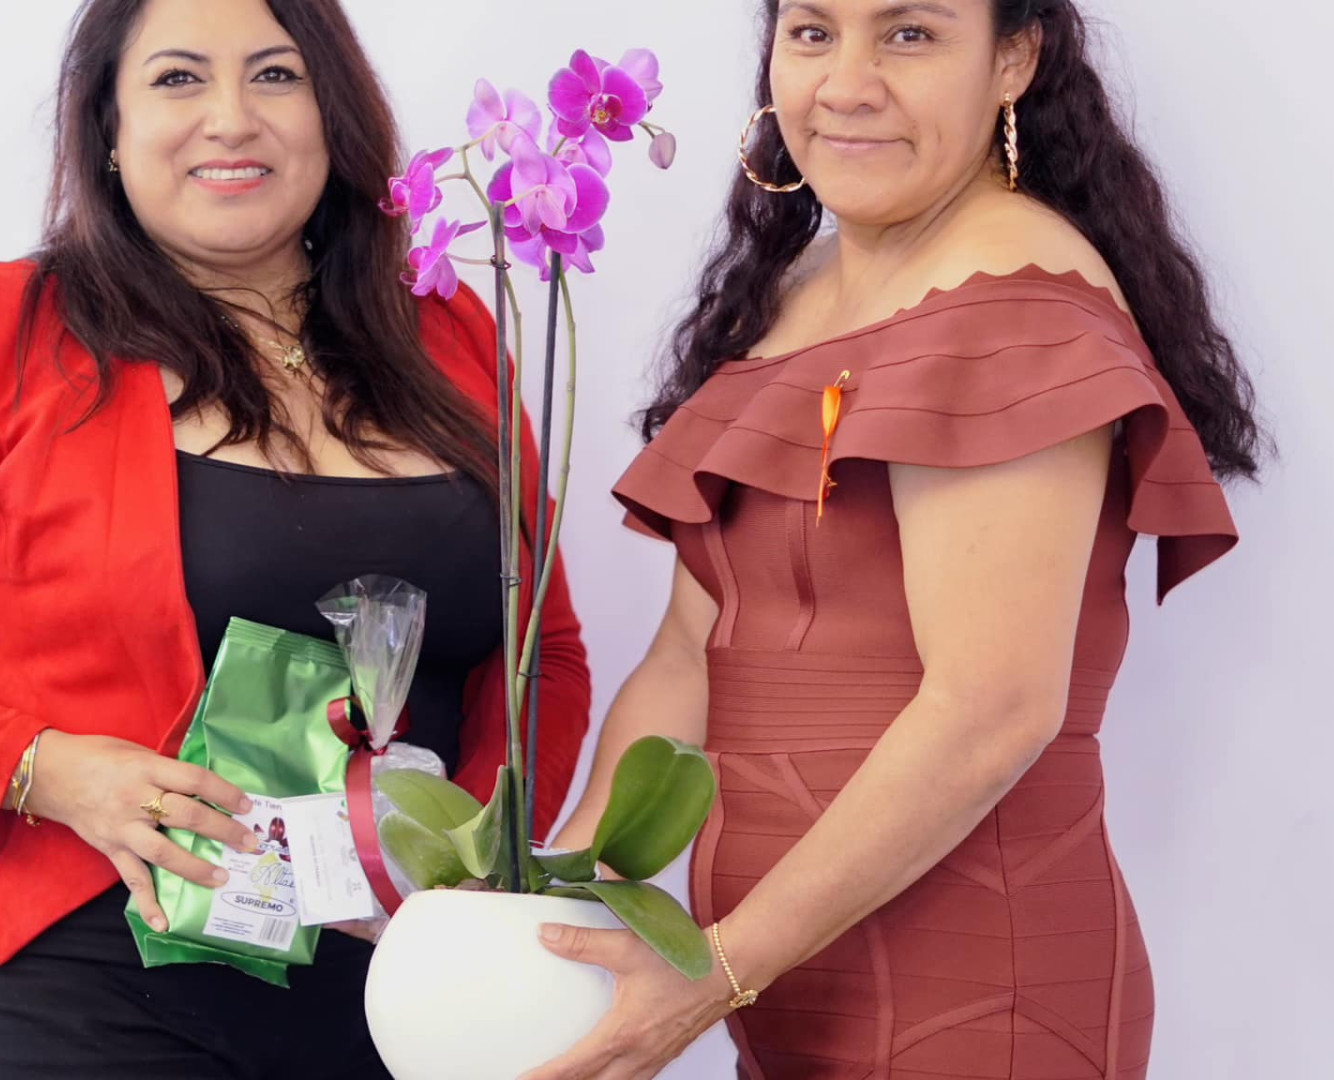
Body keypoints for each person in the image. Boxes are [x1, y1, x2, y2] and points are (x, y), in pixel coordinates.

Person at [0, 1, 589, 1077]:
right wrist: (50, 771)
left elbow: (543, 656)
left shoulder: (450, 330)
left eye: (276, 75)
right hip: (78, 983)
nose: (231, 118)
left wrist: (468, 861)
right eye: (178, 78)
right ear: (108, 125)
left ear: (334, 114)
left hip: (401, 986)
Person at [530, 2, 1259, 1078]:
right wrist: (548, 898)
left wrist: (716, 973)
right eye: (812, 32)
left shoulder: (1012, 302)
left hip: (976, 994)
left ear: (1013, 59)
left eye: (909, 34)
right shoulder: (794, 292)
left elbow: (990, 711)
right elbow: (690, 657)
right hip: (784, 989)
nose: (846, 84)